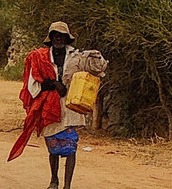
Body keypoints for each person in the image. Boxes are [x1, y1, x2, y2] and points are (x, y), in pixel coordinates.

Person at [11, 22, 103, 189]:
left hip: (71, 105)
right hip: (49, 107)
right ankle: (54, 180)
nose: (58, 38)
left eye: (62, 35)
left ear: (67, 38)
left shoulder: (76, 56)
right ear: (51, 38)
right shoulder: (40, 58)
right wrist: (53, 84)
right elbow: (33, 85)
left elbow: (96, 69)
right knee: (52, 145)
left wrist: (95, 57)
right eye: (55, 35)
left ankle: (67, 185)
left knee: (71, 146)